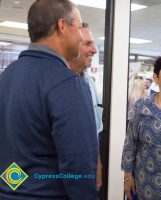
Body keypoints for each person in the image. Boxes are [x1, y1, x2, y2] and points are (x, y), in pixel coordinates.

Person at [0, 0, 98, 199]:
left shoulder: (3, 79)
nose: (80, 36)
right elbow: (79, 169)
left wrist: (20, 187)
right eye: (78, 27)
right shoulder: (68, 84)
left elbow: (4, 149)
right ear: (62, 27)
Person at [121, 52, 161, 200]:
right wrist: (127, 177)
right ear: (156, 78)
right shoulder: (142, 106)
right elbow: (130, 143)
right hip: (147, 185)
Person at [68, 22, 103, 190]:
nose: (94, 50)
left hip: (84, 174)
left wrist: (97, 165)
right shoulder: (50, 83)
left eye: (93, 44)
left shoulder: (89, 83)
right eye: (88, 44)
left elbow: (94, 131)